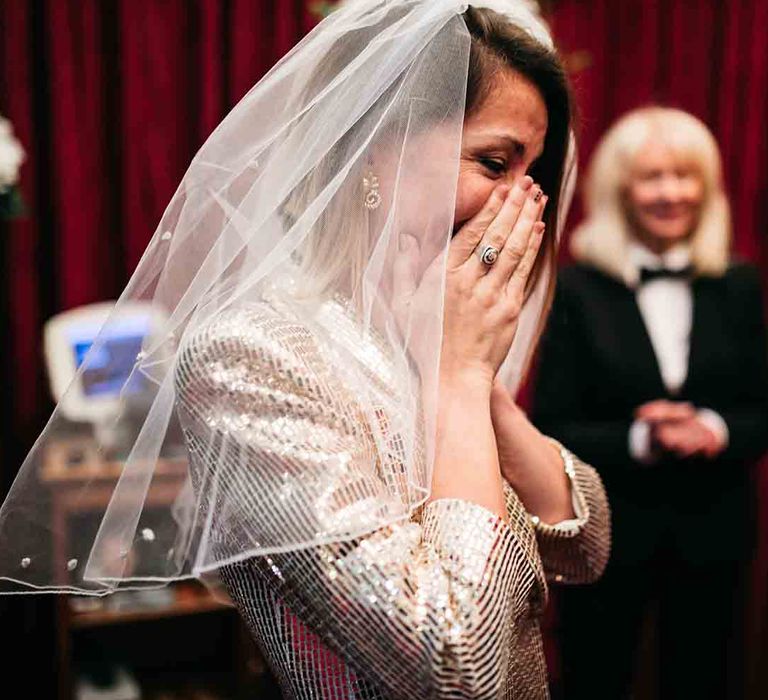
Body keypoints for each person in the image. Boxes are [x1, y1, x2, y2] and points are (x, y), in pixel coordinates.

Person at [0, 2, 609, 698]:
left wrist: (473, 380)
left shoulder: (423, 334)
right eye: (495, 162)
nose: (522, 206)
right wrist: (462, 378)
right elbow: (454, 665)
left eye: (534, 176)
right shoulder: (250, 356)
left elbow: (583, 545)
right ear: (382, 145)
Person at [533, 106, 768, 699]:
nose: (671, 193)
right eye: (653, 177)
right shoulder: (577, 289)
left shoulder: (740, 285)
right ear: (620, 190)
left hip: (716, 534)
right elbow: (551, 425)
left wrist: (712, 428)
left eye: (685, 176)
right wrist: (641, 438)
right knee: (595, 678)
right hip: (609, 538)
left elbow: (760, 410)